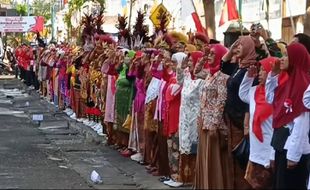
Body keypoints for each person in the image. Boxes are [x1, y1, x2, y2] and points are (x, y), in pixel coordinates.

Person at [265, 42, 310, 189]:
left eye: (286, 55)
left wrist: (293, 155)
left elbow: (301, 125)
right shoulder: (289, 82)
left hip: (293, 151)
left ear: (296, 59)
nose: (281, 59)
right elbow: (271, 100)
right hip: (281, 146)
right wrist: (273, 75)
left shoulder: (303, 85)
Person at [239, 57, 278, 189]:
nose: (260, 73)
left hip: (269, 149)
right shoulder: (254, 90)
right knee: (254, 184)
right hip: (255, 149)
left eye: (263, 70)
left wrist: (273, 153)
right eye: (259, 70)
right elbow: (242, 94)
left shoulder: (276, 94)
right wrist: (248, 77)